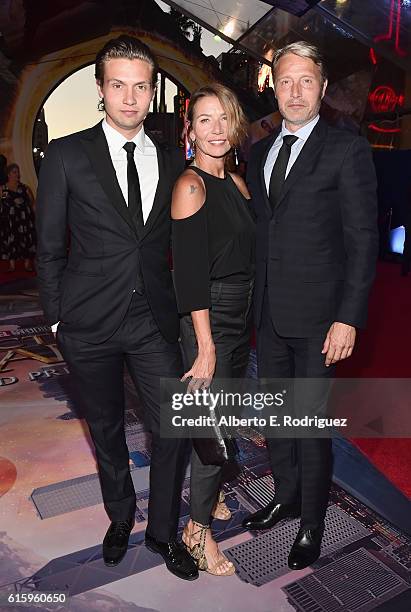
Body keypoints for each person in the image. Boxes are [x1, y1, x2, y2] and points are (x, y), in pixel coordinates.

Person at [36, 35, 198, 581]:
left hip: (153, 320)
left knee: (172, 427)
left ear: (153, 92)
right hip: (88, 321)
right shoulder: (66, 154)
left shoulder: (175, 159)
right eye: (118, 86)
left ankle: (164, 531)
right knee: (104, 429)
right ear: (101, 90)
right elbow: (50, 247)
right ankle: (119, 515)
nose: (130, 98)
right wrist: (58, 318)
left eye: (141, 86)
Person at [243, 41, 378, 570]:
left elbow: (363, 239)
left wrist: (349, 317)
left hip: (322, 319)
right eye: (285, 81)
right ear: (273, 88)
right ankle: (287, 494)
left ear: (322, 89)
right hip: (270, 315)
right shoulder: (259, 151)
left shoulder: (347, 150)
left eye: (306, 81)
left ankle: (313, 522)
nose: (295, 91)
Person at [171, 84, 255, 576]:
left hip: (238, 315)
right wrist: (205, 348)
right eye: (205, 120)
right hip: (208, 318)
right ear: (191, 130)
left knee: (225, 416)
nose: (217, 129)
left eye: (223, 118)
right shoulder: (191, 186)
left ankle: (213, 494)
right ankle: (197, 533)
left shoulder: (238, 184)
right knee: (210, 427)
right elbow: (190, 276)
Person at [0, 163, 36, 272]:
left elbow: (32, 203)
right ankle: (12, 265)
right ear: (8, 174)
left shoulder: (25, 188)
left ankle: (27, 264)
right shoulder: (3, 189)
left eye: (18, 171)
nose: (17, 174)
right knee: (11, 241)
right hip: (10, 220)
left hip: (24, 219)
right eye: (14, 172)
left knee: (26, 240)